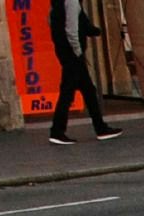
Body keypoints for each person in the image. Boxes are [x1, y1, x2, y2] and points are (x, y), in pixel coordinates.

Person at [47, 0, 120, 142]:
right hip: (72, 54)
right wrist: (78, 51)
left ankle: (100, 127)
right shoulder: (71, 1)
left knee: (88, 90)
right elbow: (71, 30)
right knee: (68, 92)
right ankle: (57, 130)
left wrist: (90, 30)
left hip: (64, 51)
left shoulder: (57, 2)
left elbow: (51, 20)